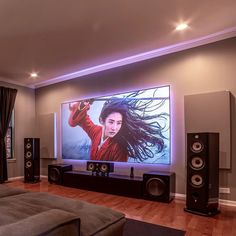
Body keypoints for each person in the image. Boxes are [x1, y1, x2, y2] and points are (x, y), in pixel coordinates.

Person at [68, 90, 168, 162]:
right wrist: (83, 104)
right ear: (102, 120)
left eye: (118, 123)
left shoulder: (120, 149)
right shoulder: (96, 131)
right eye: (111, 122)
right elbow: (75, 120)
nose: (114, 128)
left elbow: (118, 174)